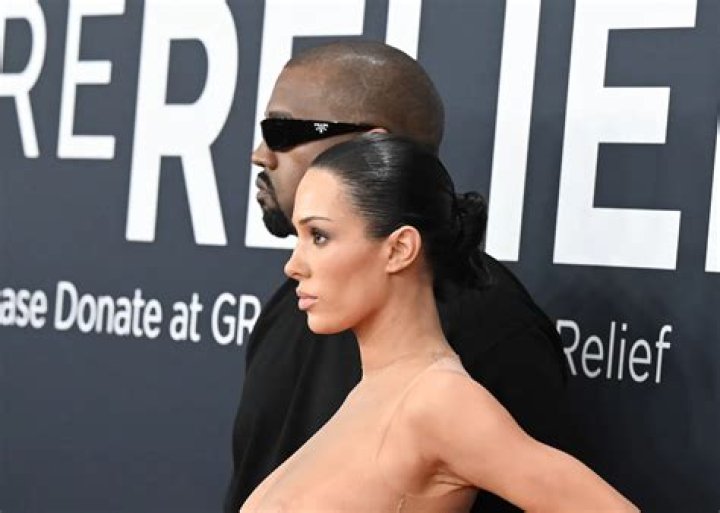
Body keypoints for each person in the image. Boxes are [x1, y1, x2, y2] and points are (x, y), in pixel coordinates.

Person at [225, 41, 569, 513]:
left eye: (282, 132)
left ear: (370, 146)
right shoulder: (294, 306)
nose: (260, 155)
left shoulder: (491, 331)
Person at [239, 134, 637, 513]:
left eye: (319, 236)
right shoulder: (372, 391)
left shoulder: (439, 402)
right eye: (300, 236)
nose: (293, 265)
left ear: (399, 249)